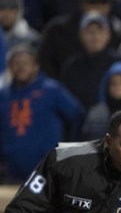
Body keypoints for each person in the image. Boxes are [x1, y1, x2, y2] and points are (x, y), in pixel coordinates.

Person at [0, 44, 84, 184]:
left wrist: (68, 153)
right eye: (16, 63)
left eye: (26, 63)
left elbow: (77, 116)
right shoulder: (4, 95)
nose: (21, 67)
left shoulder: (52, 90)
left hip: (46, 172)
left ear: (36, 66)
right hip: (11, 172)